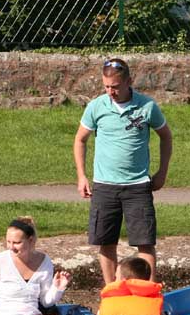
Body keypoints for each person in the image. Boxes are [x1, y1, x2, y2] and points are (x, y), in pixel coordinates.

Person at [73, 57, 173, 286]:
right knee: (106, 241)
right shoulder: (96, 106)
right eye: (107, 87)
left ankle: (148, 291)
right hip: (104, 186)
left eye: (116, 87)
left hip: (138, 186)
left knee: (145, 242)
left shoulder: (147, 106)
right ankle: (111, 291)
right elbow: (80, 140)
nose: (111, 92)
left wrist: (162, 172)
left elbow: (166, 136)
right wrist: (81, 176)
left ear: (129, 81)